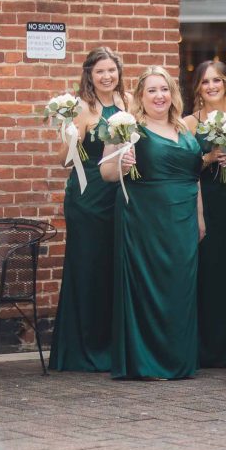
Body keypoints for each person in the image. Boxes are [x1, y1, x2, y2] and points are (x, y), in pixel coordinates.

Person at [100, 66, 203, 380]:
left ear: (173, 94)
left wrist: (200, 217)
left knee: (180, 289)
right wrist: (121, 160)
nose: (160, 96)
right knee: (150, 288)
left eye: (165, 89)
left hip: (184, 220)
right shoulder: (129, 127)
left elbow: (194, 177)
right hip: (147, 220)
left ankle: (178, 360)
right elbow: (105, 173)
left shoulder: (185, 129)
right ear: (140, 97)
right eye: (152, 91)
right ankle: (147, 363)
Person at [50, 46, 131, 372]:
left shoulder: (126, 104)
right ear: (90, 75)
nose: (107, 76)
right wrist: (70, 135)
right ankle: (82, 349)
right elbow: (64, 160)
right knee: (88, 268)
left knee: (113, 268)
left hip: (119, 196)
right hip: (87, 199)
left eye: (111, 70)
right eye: (100, 71)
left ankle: (110, 345)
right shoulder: (82, 108)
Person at [184, 61, 226, 369]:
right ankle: (209, 349)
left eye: (217, 80)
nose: (211, 86)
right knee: (210, 274)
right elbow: (185, 170)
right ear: (197, 87)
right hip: (207, 202)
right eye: (205, 81)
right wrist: (208, 157)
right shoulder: (188, 123)